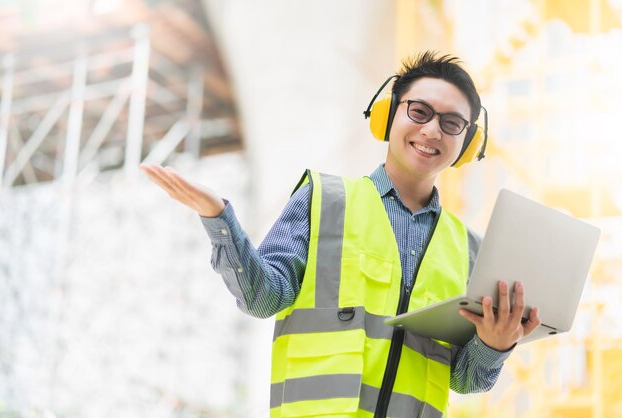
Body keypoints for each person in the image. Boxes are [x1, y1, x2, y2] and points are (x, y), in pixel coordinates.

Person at [140, 51, 541, 418]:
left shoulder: (468, 248)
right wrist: (219, 219)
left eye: (451, 123)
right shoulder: (325, 201)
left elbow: (463, 378)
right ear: (388, 116)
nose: (433, 130)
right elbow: (263, 298)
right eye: (419, 112)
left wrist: (495, 344)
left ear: (467, 143)